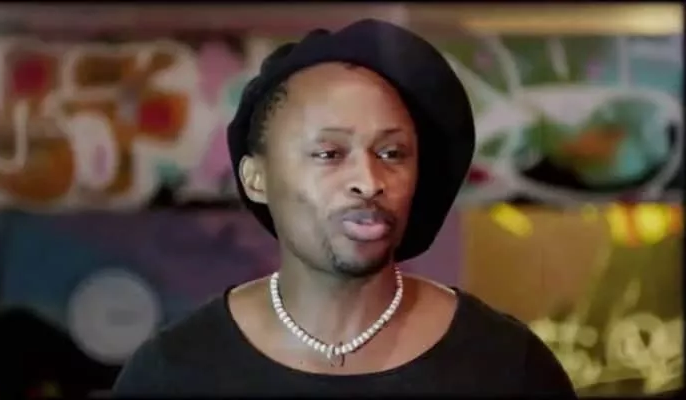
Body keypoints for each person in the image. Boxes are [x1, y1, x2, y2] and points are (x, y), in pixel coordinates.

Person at [112, 19, 577, 396]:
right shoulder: (173, 372)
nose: (369, 182)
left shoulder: (507, 367)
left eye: (392, 153)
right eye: (329, 154)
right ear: (256, 179)